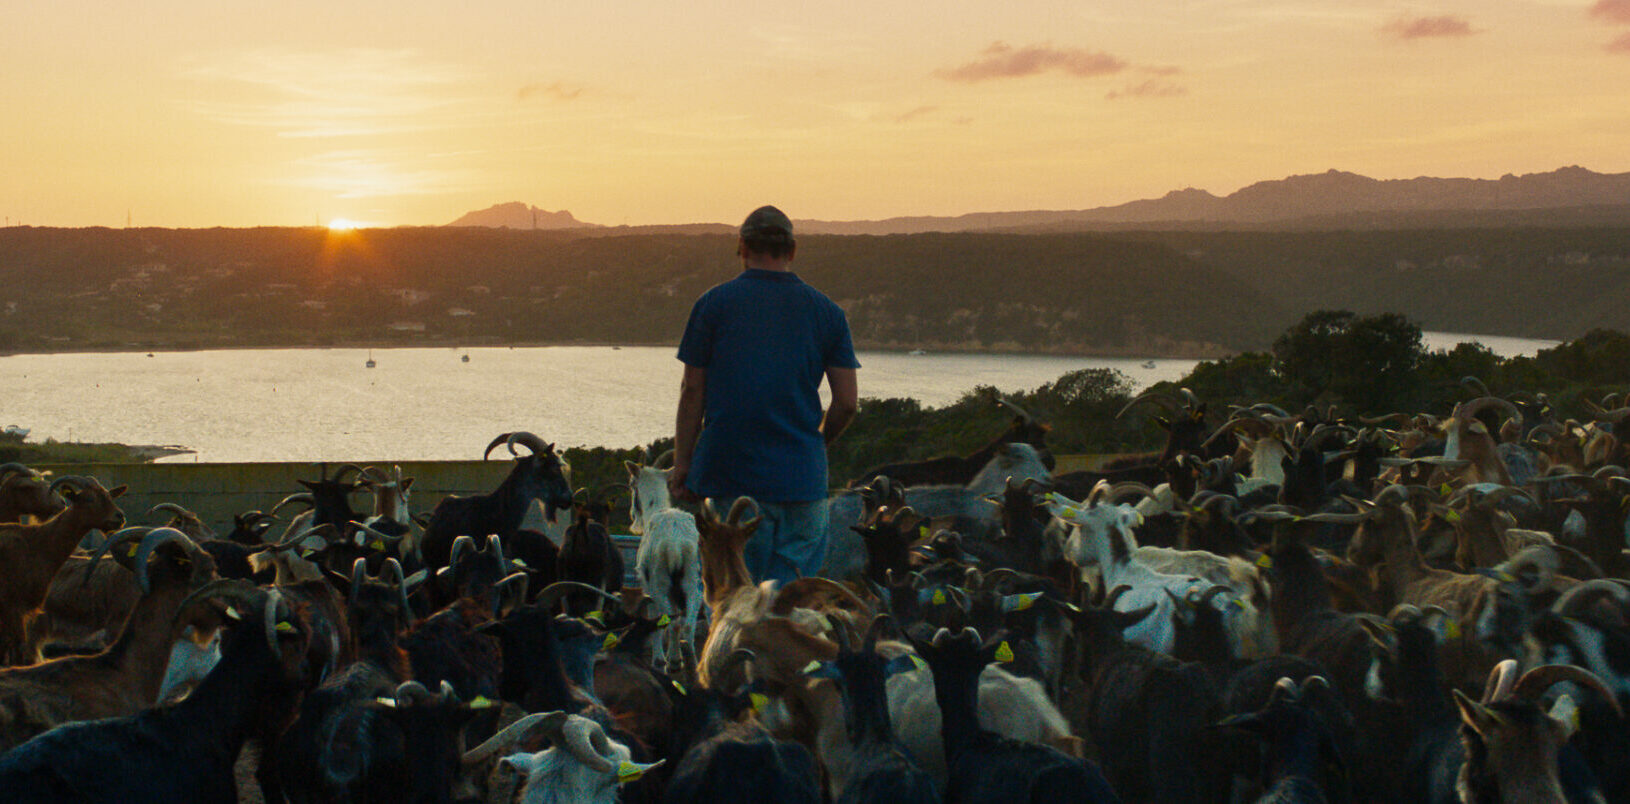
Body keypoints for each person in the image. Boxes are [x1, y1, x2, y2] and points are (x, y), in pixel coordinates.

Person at [668, 205, 860, 584]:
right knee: (787, 601)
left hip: (731, 477)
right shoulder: (828, 313)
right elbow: (847, 403)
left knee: (738, 598)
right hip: (802, 481)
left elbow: (692, 391)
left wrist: (683, 464)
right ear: (792, 251)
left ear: (742, 246)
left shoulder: (713, 305)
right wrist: (817, 443)